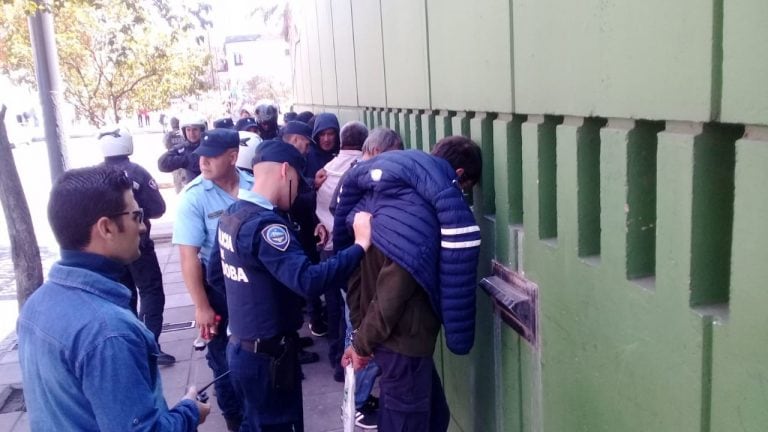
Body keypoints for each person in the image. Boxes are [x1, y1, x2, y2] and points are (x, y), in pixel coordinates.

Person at [17, 165, 210, 431]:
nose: (142, 227)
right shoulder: (109, 333)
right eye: (136, 215)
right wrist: (189, 411)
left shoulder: (37, 303)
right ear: (106, 228)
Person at [212, 139, 373, 431]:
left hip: (241, 350)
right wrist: (360, 245)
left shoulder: (231, 215)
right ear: (286, 171)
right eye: (299, 180)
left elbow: (216, 275)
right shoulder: (267, 226)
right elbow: (309, 281)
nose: (299, 190)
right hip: (268, 360)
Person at [335, 136, 483, 432]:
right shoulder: (420, 215)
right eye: (464, 190)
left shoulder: (380, 196)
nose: (460, 195)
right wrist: (362, 345)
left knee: (435, 416)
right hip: (403, 342)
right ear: (459, 176)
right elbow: (393, 291)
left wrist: (359, 335)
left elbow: (352, 273)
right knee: (407, 422)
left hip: (394, 338)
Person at [172, 128, 249, 431]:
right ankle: (235, 421)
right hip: (217, 291)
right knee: (224, 364)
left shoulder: (254, 182)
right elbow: (188, 257)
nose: (202, 161)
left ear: (232, 157)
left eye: (211, 156)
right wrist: (201, 306)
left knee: (255, 359)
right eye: (200, 155)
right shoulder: (194, 197)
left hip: (252, 289)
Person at [99, 127, 176, 365]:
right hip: (137, 244)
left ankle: (129, 346)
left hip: (109, 248)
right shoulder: (137, 172)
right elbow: (158, 207)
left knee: (124, 295)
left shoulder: (94, 176)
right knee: (151, 291)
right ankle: (149, 345)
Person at [314, 121, 368, 382]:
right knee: (354, 308)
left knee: (334, 306)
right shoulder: (365, 168)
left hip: (327, 247)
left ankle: (337, 359)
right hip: (353, 249)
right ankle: (350, 365)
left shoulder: (323, 172)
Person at [158, 114, 207, 192]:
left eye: (195, 129)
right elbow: (162, 163)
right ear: (184, 131)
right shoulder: (183, 148)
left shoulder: (209, 145)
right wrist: (185, 160)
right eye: (188, 130)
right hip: (193, 192)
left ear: (202, 130)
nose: (191, 133)